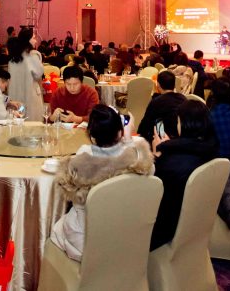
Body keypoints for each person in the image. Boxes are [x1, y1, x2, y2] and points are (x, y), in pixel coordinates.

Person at [50, 105, 154, 261]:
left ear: (92, 136)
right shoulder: (135, 160)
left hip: (85, 241)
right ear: (120, 132)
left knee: (58, 227)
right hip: (124, 237)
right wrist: (128, 140)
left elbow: (66, 185)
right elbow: (149, 168)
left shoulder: (82, 160)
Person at [150, 98, 218, 250]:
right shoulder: (211, 150)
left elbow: (155, 191)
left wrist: (157, 156)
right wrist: (169, 146)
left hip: (166, 230)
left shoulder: (172, 162)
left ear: (184, 124)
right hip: (195, 223)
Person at [136, 70, 186, 139]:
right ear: (174, 85)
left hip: (164, 139)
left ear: (158, 84)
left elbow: (144, 127)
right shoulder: (183, 98)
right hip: (183, 137)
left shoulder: (157, 101)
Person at [7, 29, 44, 120]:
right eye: (33, 38)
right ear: (28, 40)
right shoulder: (32, 56)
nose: (35, 41)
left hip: (16, 93)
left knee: (18, 117)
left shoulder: (13, 57)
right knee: (32, 120)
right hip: (30, 93)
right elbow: (39, 74)